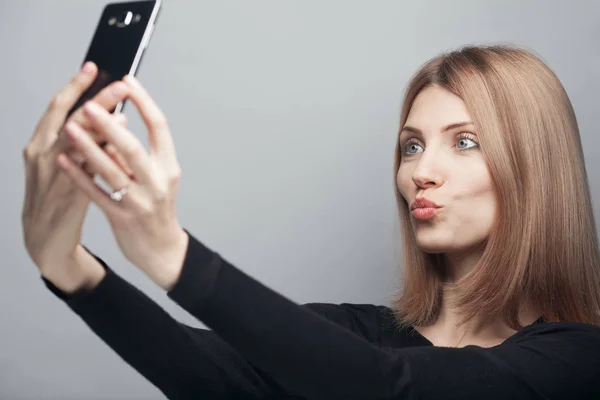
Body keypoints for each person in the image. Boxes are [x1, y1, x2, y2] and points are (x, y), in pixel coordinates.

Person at [21, 44, 600, 399]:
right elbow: (208, 373)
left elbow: (384, 388)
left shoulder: (576, 360)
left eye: (465, 142)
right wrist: (64, 263)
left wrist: (173, 256)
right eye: (412, 146)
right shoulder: (355, 333)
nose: (422, 172)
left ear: (535, 169)